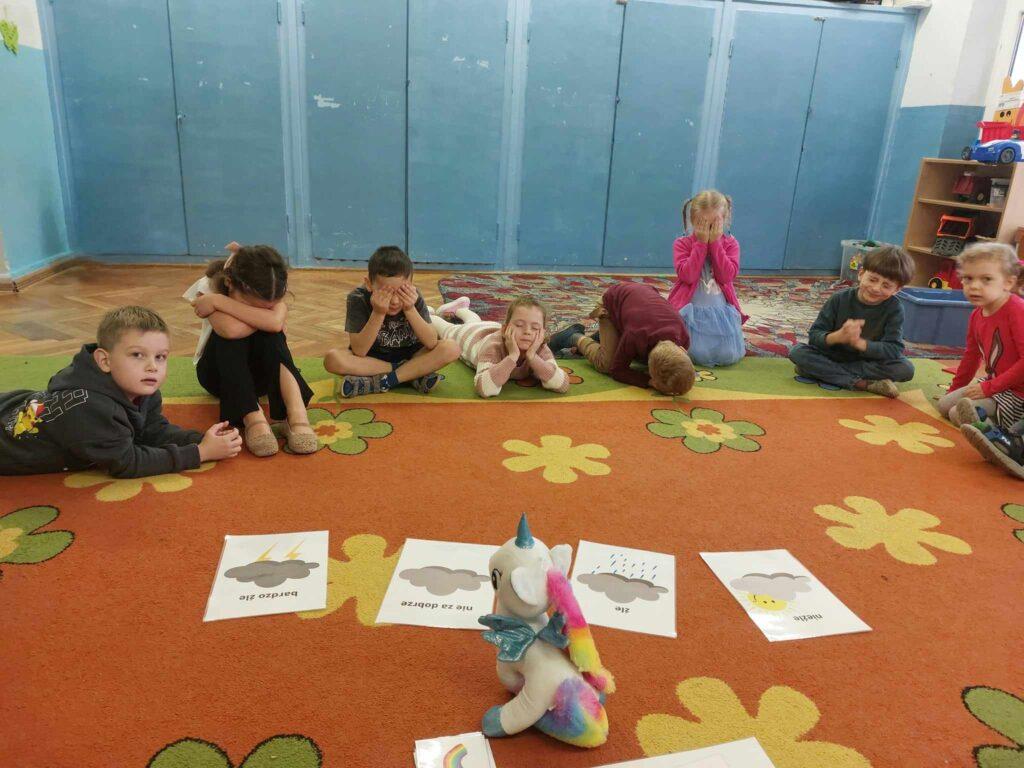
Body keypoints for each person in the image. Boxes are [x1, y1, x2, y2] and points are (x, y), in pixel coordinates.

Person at [0, 306, 240, 476]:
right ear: (104, 361)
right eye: (137, 355)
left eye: (160, 357)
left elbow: (151, 430)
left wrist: (199, 439)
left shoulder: (143, 389)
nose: (152, 366)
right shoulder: (91, 408)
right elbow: (127, 462)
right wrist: (200, 453)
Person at [186, 242, 316, 457]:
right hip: (219, 377)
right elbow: (230, 330)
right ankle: (252, 417)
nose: (264, 307)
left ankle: (296, 414)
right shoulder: (207, 286)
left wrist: (219, 302)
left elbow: (274, 324)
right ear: (229, 284)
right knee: (237, 337)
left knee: (272, 335)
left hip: (264, 378)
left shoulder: (269, 284)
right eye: (253, 304)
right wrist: (265, 317)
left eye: (270, 305)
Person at [324, 246, 459, 397]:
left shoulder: (413, 297)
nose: (394, 301)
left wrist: (409, 309)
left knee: (451, 348)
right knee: (333, 359)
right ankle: (412, 373)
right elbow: (359, 351)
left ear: (411, 284)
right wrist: (378, 312)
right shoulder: (358, 298)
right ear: (369, 284)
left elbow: (431, 342)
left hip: (413, 355)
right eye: (386, 293)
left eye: (401, 292)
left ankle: (382, 382)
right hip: (372, 360)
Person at [788, 246, 916, 398]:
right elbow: (814, 336)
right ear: (861, 274)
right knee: (797, 352)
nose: (876, 288)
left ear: (897, 289)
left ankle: (820, 372)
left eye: (886, 285)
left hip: (866, 362)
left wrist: (860, 344)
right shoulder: (839, 299)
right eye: (872, 279)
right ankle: (862, 384)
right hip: (833, 355)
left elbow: (894, 349)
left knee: (906, 369)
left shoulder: (894, 308)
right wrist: (836, 337)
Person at [548, 282, 695, 396]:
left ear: (683, 350)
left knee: (638, 356)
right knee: (606, 364)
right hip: (612, 303)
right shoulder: (636, 335)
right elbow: (617, 370)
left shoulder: (683, 338)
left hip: (637, 303)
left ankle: (605, 338)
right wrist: (649, 381)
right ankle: (573, 336)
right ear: (682, 350)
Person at [940, 242, 1024, 430]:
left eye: (986, 279)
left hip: (1018, 393)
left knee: (956, 413)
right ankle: (984, 419)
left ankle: (1006, 436)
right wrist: (954, 390)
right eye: (968, 278)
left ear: (1008, 282)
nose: (975, 286)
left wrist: (988, 388)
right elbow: (971, 356)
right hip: (994, 384)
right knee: (945, 405)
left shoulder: (1017, 311)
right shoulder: (976, 314)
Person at [429, 295, 570, 397]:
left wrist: (532, 357)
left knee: (475, 321)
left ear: (543, 333)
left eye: (535, 328)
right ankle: (429, 313)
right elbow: (484, 389)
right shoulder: (493, 347)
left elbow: (562, 384)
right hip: (472, 336)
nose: (527, 331)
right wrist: (513, 356)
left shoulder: (540, 347)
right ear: (506, 329)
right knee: (446, 329)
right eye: (519, 325)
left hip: (490, 326)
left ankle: (461, 309)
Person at [668, 190, 747, 366]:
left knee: (728, 355)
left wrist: (716, 244)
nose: (708, 230)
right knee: (695, 353)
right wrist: (701, 244)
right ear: (693, 221)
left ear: (724, 220)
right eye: (703, 224)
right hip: (690, 311)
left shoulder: (731, 244)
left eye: (714, 224)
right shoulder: (682, 244)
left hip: (720, 312)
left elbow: (726, 277)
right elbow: (688, 276)